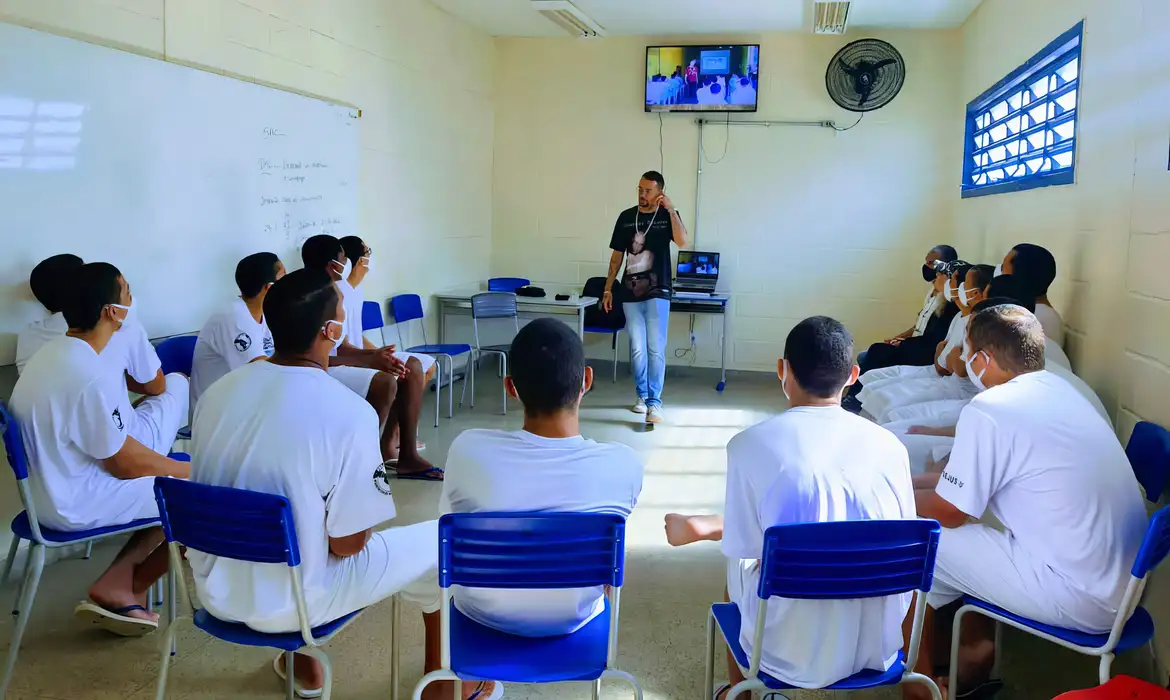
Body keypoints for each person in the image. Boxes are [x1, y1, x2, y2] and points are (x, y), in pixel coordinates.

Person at [188, 269, 496, 700]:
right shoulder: (347, 413)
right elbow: (349, 544)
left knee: (292, 524)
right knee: (441, 544)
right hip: (298, 602)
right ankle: (446, 689)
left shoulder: (218, 394)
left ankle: (304, 665)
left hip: (216, 591)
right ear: (331, 331)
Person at [904, 305, 1147, 700]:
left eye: (967, 353)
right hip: (1119, 587)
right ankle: (970, 661)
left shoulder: (992, 409)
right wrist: (909, 482)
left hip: (1081, 595)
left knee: (917, 542)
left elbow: (950, 512)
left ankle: (918, 692)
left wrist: (891, 494)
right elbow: (965, 490)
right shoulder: (1055, 389)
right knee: (952, 547)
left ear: (982, 359)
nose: (964, 362)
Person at [664, 317, 915, 696]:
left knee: (738, 560)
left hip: (783, 654)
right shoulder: (891, 446)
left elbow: (746, 546)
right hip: (877, 647)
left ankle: (747, 690)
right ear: (853, 374)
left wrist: (710, 526)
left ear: (782, 370)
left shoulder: (750, 445)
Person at [9, 262, 190, 636]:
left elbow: (115, 450)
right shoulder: (88, 373)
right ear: (112, 312)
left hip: (45, 497)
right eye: (125, 290)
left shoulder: (54, 353)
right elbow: (123, 464)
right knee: (201, 492)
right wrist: (185, 469)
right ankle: (127, 587)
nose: (130, 296)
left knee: (178, 482)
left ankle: (119, 580)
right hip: (75, 503)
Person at [440, 318, 642, 636]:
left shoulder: (468, 449)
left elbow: (449, 533)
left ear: (510, 388)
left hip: (481, 616)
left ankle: (461, 684)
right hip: (574, 621)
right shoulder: (624, 463)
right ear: (586, 380)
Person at [16, 254, 184, 454]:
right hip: (107, 450)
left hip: (54, 445)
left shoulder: (29, 336)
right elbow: (155, 386)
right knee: (177, 381)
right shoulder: (115, 328)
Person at [300, 235, 437, 478]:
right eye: (344, 259)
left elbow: (342, 346)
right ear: (335, 264)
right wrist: (369, 360)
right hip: (319, 369)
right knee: (386, 381)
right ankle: (365, 456)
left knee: (411, 365)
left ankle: (406, 455)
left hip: (337, 362)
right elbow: (314, 358)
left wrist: (375, 354)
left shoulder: (335, 293)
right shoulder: (310, 297)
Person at [338, 235, 437, 458]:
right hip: (349, 360)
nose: (369, 258)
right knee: (402, 373)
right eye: (367, 252)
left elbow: (356, 334)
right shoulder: (339, 293)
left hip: (361, 354)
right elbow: (340, 344)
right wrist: (373, 356)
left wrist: (379, 352)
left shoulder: (355, 291)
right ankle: (387, 443)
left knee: (428, 365)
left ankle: (396, 435)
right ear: (357, 260)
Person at [602, 171, 688, 423]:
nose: (642, 194)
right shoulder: (627, 217)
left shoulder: (666, 216)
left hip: (658, 290)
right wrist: (608, 287)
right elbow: (617, 256)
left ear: (659, 192)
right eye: (640, 189)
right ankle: (642, 396)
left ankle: (655, 402)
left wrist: (672, 210)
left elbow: (683, 241)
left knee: (655, 348)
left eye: (648, 190)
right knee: (637, 348)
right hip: (629, 292)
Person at [189, 252, 284, 414]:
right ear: (269, 288)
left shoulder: (264, 312)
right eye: (284, 278)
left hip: (243, 401)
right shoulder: (233, 317)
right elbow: (262, 371)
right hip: (217, 415)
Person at [997, 243, 1063, 343]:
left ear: (1018, 276)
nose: (1000, 275)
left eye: (1003, 268)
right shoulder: (1042, 313)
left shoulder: (1035, 316)